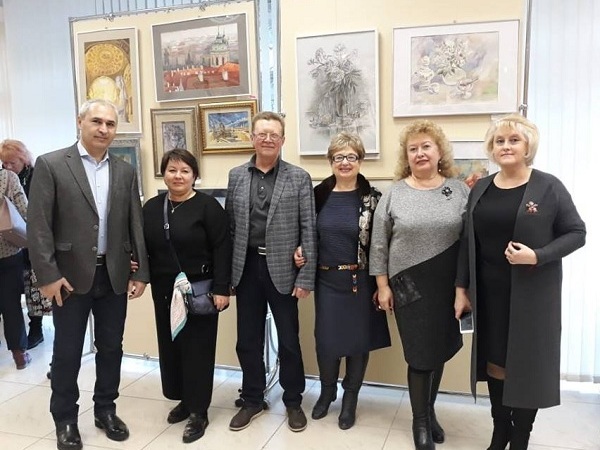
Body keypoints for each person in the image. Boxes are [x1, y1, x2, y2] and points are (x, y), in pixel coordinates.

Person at [454, 114, 586, 450]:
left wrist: (537, 255)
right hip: (489, 294)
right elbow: (467, 241)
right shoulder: (481, 187)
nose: (506, 146)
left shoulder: (548, 186)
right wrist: (461, 289)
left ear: (528, 147)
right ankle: (500, 430)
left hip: (533, 296)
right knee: (495, 362)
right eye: (499, 141)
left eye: (514, 140)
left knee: (527, 365)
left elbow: (577, 233)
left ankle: (521, 435)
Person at [27, 99, 149, 450]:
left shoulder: (124, 170)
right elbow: (38, 226)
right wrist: (47, 276)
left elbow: (134, 222)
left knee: (111, 348)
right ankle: (65, 419)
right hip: (67, 279)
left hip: (113, 274)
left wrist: (141, 271)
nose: (104, 129)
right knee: (67, 352)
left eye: (110, 124)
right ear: (79, 121)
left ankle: (106, 410)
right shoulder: (51, 164)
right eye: (96, 121)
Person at [370, 120, 469, 450]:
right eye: (413, 149)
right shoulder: (395, 193)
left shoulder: (459, 190)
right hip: (407, 285)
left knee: (438, 351)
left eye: (426, 146)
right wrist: (382, 285)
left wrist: (465, 287)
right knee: (419, 355)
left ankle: (429, 410)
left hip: (447, 285)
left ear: (439, 152)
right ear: (406, 156)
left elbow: (470, 238)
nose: (420, 153)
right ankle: (420, 422)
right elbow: (378, 244)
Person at [226, 111, 317, 432]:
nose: (267, 139)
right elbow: (230, 227)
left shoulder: (298, 177)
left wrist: (306, 276)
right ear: (252, 138)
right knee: (247, 340)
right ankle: (252, 398)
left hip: (284, 270)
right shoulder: (237, 176)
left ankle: (293, 401)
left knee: (289, 340)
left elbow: (308, 229)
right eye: (261, 134)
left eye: (273, 135)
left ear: (282, 140)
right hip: (246, 267)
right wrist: (228, 276)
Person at [294, 132, 390, 430]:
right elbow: (305, 231)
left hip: (360, 281)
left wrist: (382, 284)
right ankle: (327, 393)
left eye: (351, 156)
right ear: (330, 161)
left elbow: (381, 243)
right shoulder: (317, 196)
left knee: (358, 343)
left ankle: (350, 399)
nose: (345, 162)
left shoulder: (373, 199)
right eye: (339, 157)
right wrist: (300, 249)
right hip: (326, 280)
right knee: (326, 342)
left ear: (360, 160)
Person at [142, 149, 231, 443]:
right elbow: (143, 246)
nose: (177, 176)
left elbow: (222, 248)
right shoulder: (152, 208)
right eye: (172, 170)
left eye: (184, 171)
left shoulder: (208, 207)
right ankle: (183, 399)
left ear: (195, 176)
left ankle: (199, 411)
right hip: (164, 291)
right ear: (163, 174)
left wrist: (222, 288)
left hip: (199, 290)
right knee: (172, 347)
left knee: (198, 349)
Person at [1, 139, 52, 349]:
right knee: (14, 291)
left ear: (23, 159)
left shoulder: (37, 175)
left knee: (34, 287)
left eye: (12, 162)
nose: (7, 167)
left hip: (30, 238)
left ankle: (36, 328)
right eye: (4, 163)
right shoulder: (7, 178)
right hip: (11, 242)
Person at [0, 166, 30, 369]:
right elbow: (24, 210)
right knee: (11, 305)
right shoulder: (9, 177)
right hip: (9, 251)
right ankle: (19, 355)